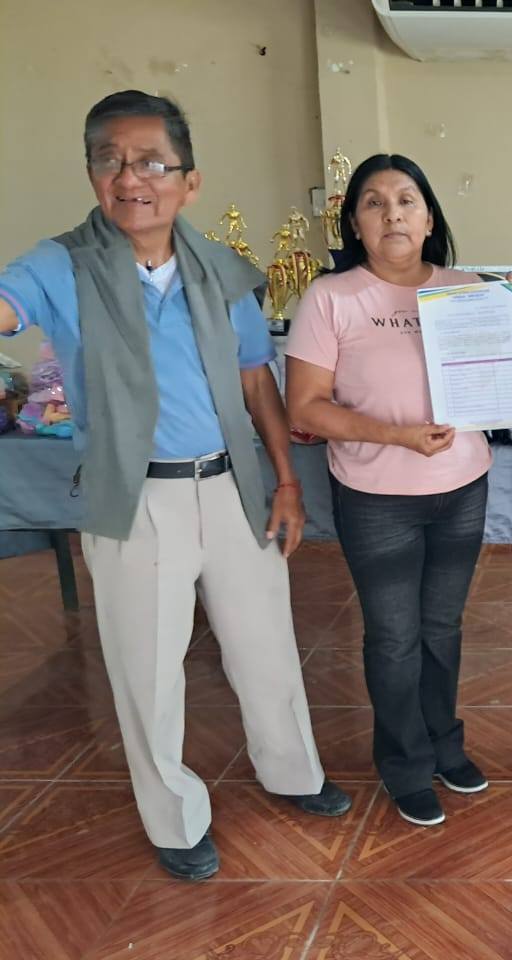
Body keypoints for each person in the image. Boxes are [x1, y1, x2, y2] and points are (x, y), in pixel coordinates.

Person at [0, 90, 350, 881]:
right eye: (111, 161)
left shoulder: (221, 272)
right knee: (147, 668)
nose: (132, 179)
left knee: (265, 646)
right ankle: (174, 818)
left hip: (231, 487)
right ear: (92, 174)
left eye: (152, 162)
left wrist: (285, 483)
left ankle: (293, 771)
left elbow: (256, 381)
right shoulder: (60, 265)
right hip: (135, 499)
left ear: (189, 182)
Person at [286, 154, 512, 827]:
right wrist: (394, 436)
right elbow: (304, 408)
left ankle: (444, 745)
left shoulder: (468, 290)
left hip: (461, 488)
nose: (392, 214)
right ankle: (403, 763)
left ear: (429, 219)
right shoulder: (332, 298)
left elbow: (511, 386)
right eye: (374, 202)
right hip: (375, 497)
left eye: (406, 200)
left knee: (441, 627)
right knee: (394, 637)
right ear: (354, 223)